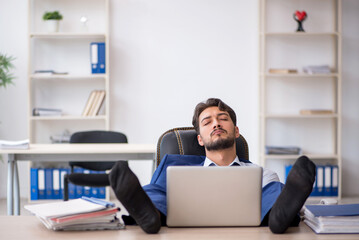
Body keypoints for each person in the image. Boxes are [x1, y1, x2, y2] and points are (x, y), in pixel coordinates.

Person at [109, 98, 316, 234]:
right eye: (207, 122)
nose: (216, 123)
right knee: (158, 188)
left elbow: (269, 185)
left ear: (236, 132)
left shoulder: (260, 173)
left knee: (273, 187)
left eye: (223, 119)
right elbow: (158, 190)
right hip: (178, 215)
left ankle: (278, 217)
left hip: (249, 223)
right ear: (200, 139)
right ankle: (150, 214)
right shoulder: (175, 165)